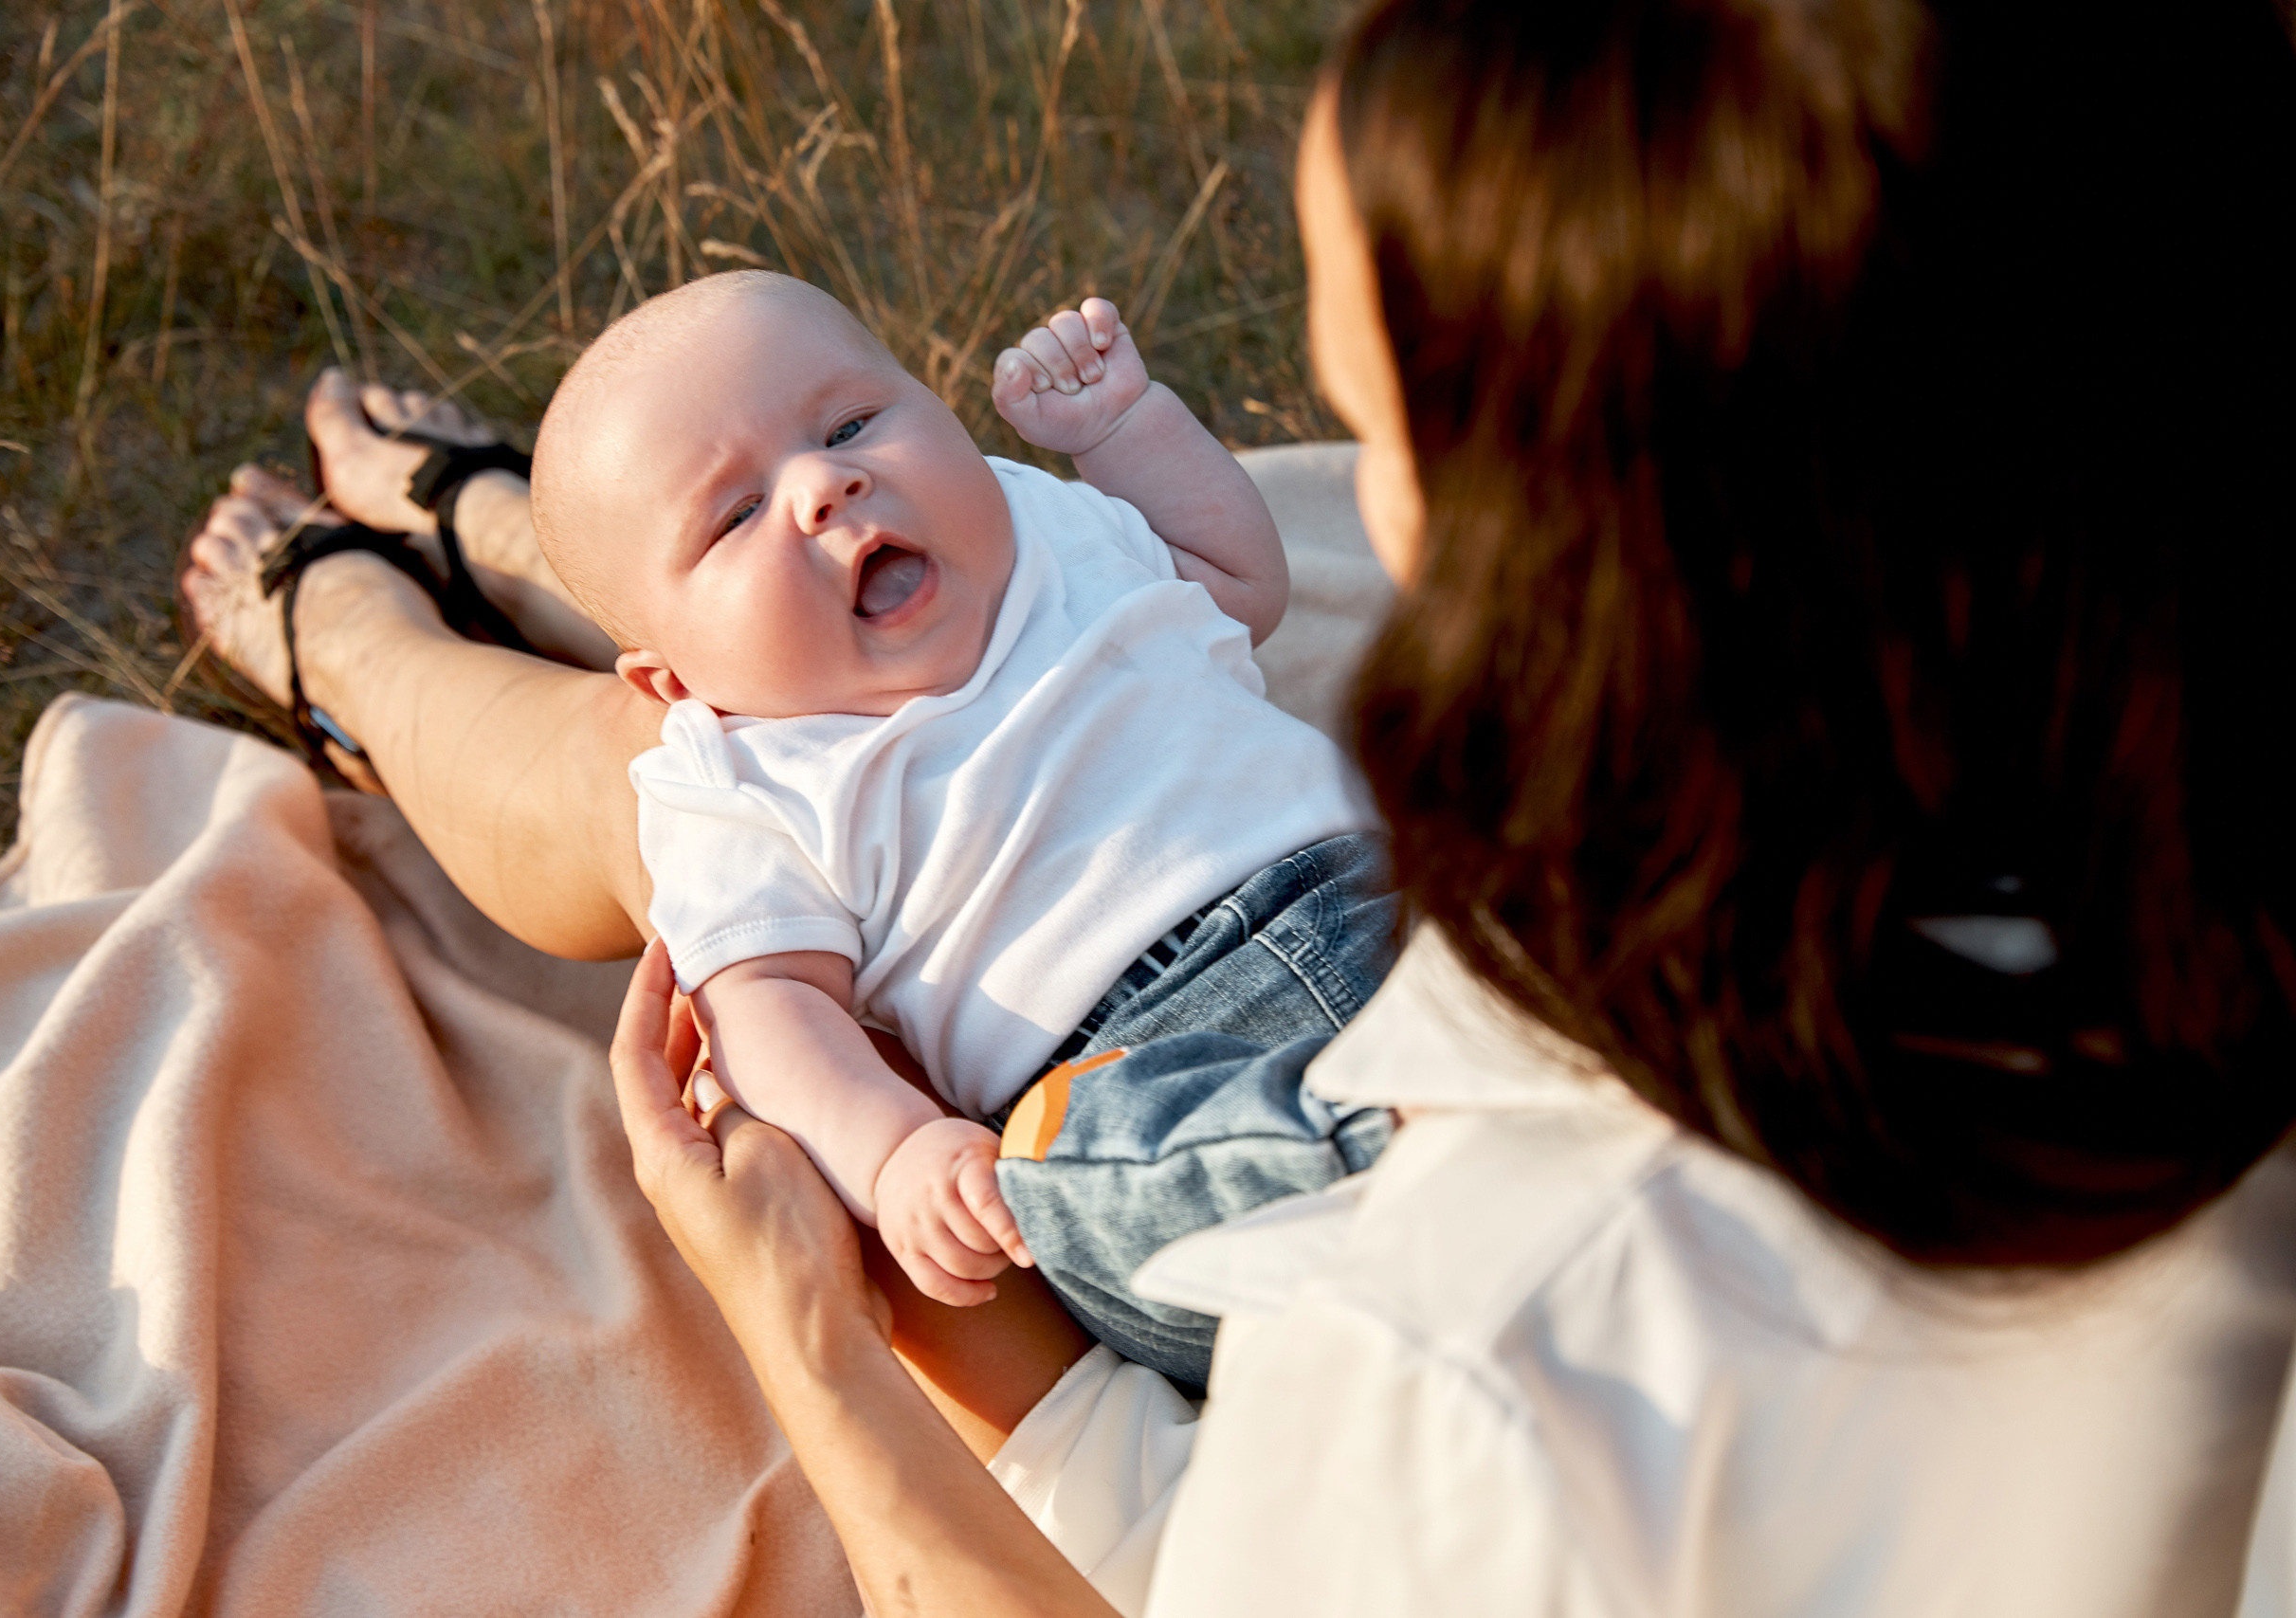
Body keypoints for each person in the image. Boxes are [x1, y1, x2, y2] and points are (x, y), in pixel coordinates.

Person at [596, 0, 2296, 1612]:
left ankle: (367, 604)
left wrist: (810, 1323)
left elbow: (1201, 1547)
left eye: (1366, 428)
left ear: (1583, 537)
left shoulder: (1465, 1350)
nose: (1359, 505)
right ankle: (381, 597)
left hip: (1212, 1106)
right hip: (1105, 999)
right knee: (595, 787)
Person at [522, 271, 1390, 1378]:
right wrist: (893, 1152)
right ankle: (1398, 1145)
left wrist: (1126, 431)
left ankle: (1439, 1134)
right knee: (1079, 1192)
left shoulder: (1041, 526)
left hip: (1375, 897)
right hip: (1138, 1068)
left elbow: (1236, 583)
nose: (827, 486)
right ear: (672, 681)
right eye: (736, 514)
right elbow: (766, 1007)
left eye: (851, 423)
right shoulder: (739, 780)